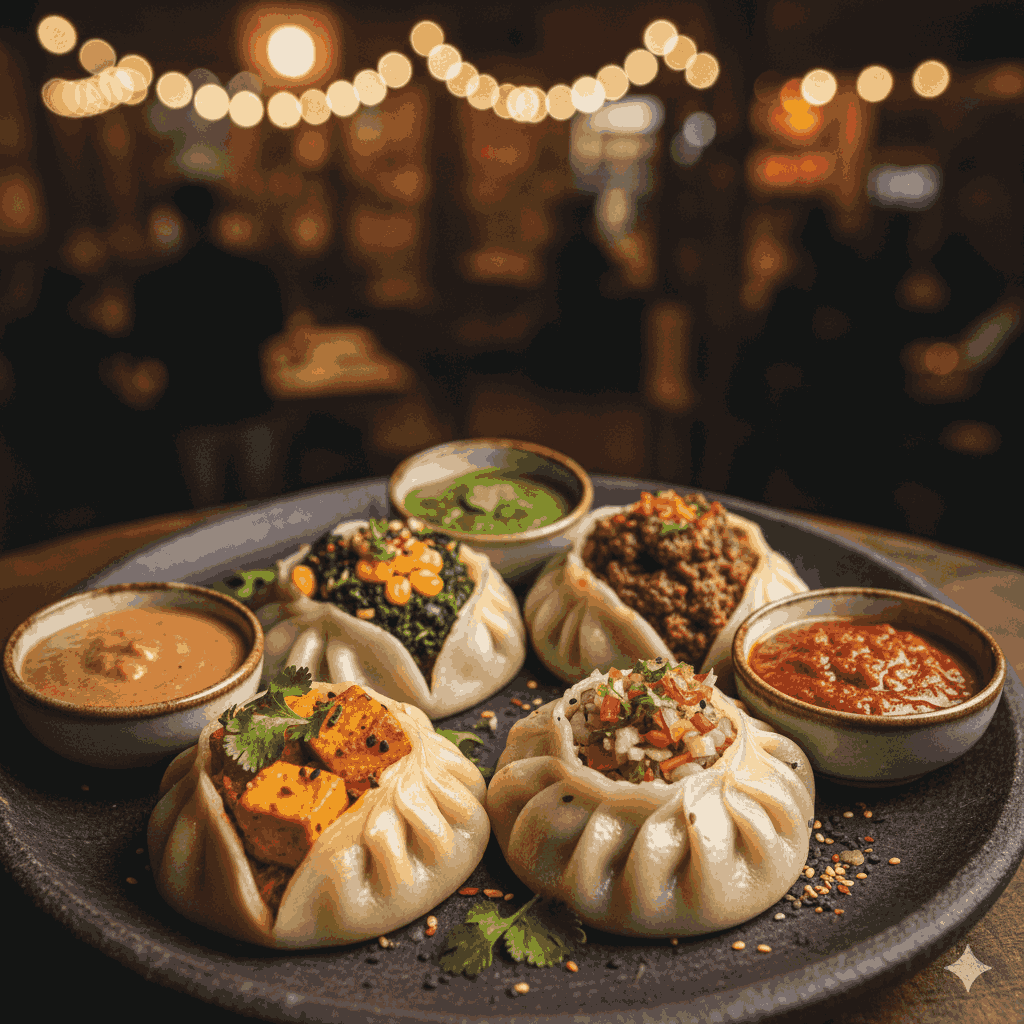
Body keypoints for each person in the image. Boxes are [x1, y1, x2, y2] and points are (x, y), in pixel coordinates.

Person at [128, 184, 285, 507]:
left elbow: (144, 347)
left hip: (190, 409)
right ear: (219, 216)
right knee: (265, 507)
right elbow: (275, 329)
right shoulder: (255, 273)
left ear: (175, 218)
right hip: (249, 400)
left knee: (203, 511)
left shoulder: (154, 283)